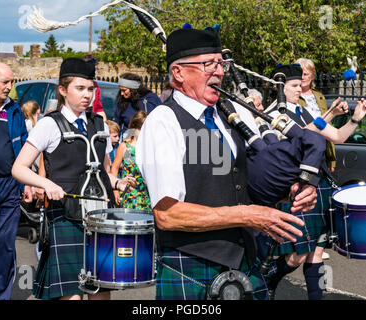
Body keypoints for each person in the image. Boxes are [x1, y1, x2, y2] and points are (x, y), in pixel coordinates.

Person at [135, 27, 317, 300]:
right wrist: (247, 215)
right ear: (179, 73)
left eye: (221, 64)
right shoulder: (164, 120)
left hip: (244, 260)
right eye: (209, 64)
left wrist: (288, 191)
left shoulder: (226, 115)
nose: (219, 72)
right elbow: (167, 213)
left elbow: (239, 186)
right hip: (192, 267)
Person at [11, 57, 133, 300]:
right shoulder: (49, 124)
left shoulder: (100, 124)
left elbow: (104, 172)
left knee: (100, 293)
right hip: (65, 216)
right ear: (63, 90)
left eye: (90, 89)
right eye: (80, 88)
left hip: (100, 218)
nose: (86, 95)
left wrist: (116, 182)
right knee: (72, 296)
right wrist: (46, 184)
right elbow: (19, 168)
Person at [265, 64, 366, 300]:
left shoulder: (304, 112)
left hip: (318, 183)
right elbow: (298, 136)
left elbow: (337, 136)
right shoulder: (273, 114)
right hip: (294, 188)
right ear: (279, 88)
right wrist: (329, 113)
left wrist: (354, 119)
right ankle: (266, 279)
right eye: (293, 86)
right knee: (297, 256)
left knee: (317, 251)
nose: (299, 88)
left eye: (299, 84)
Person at [0, 62, 31, 300]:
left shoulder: (15, 110)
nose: (10, 87)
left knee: (5, 247)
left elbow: (23, 148)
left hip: (9, 188)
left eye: (12, 81)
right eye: (5, 82)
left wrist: (27, 183)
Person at [295, 58, 337, 172]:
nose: (302, 77)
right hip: (302, 150)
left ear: (312, 76)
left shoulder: (319, 96)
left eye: (305, 74)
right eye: (299, 74)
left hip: (321, 149)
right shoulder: (291, 95)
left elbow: (328, 125)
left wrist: (331, 158)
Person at [111, 111, 151, 210]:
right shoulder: (126, 147)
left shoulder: (150, 147)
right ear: (133, 127)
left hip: (147, 194)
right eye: (140, 129)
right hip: (129, 193)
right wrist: (115, 190)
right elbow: (115, 168)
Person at [113, 72, 161, 137]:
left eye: (124, 90)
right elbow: (116, 123)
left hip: (150, 136)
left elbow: (160, 121)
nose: (121, 93)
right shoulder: (122, 101)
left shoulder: (151, 99)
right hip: (129, 138)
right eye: (120, 90)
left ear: (133, 89)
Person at [82, 54, 107, 122]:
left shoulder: (95, 86)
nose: (96, 67)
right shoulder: (73, 84)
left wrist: (104, 124)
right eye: (94, 65)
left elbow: (98, 108)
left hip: (91, 121)